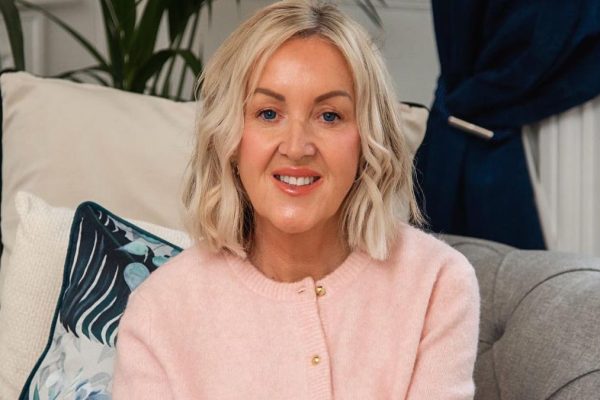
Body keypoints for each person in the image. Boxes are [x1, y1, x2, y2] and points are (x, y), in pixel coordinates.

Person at [112, 0, 480, 398]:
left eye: (329, 116)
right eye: (269, 114)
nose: (296, 147)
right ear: (230, 138)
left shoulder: (436, 282)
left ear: (366, 140)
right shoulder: (159, 312)